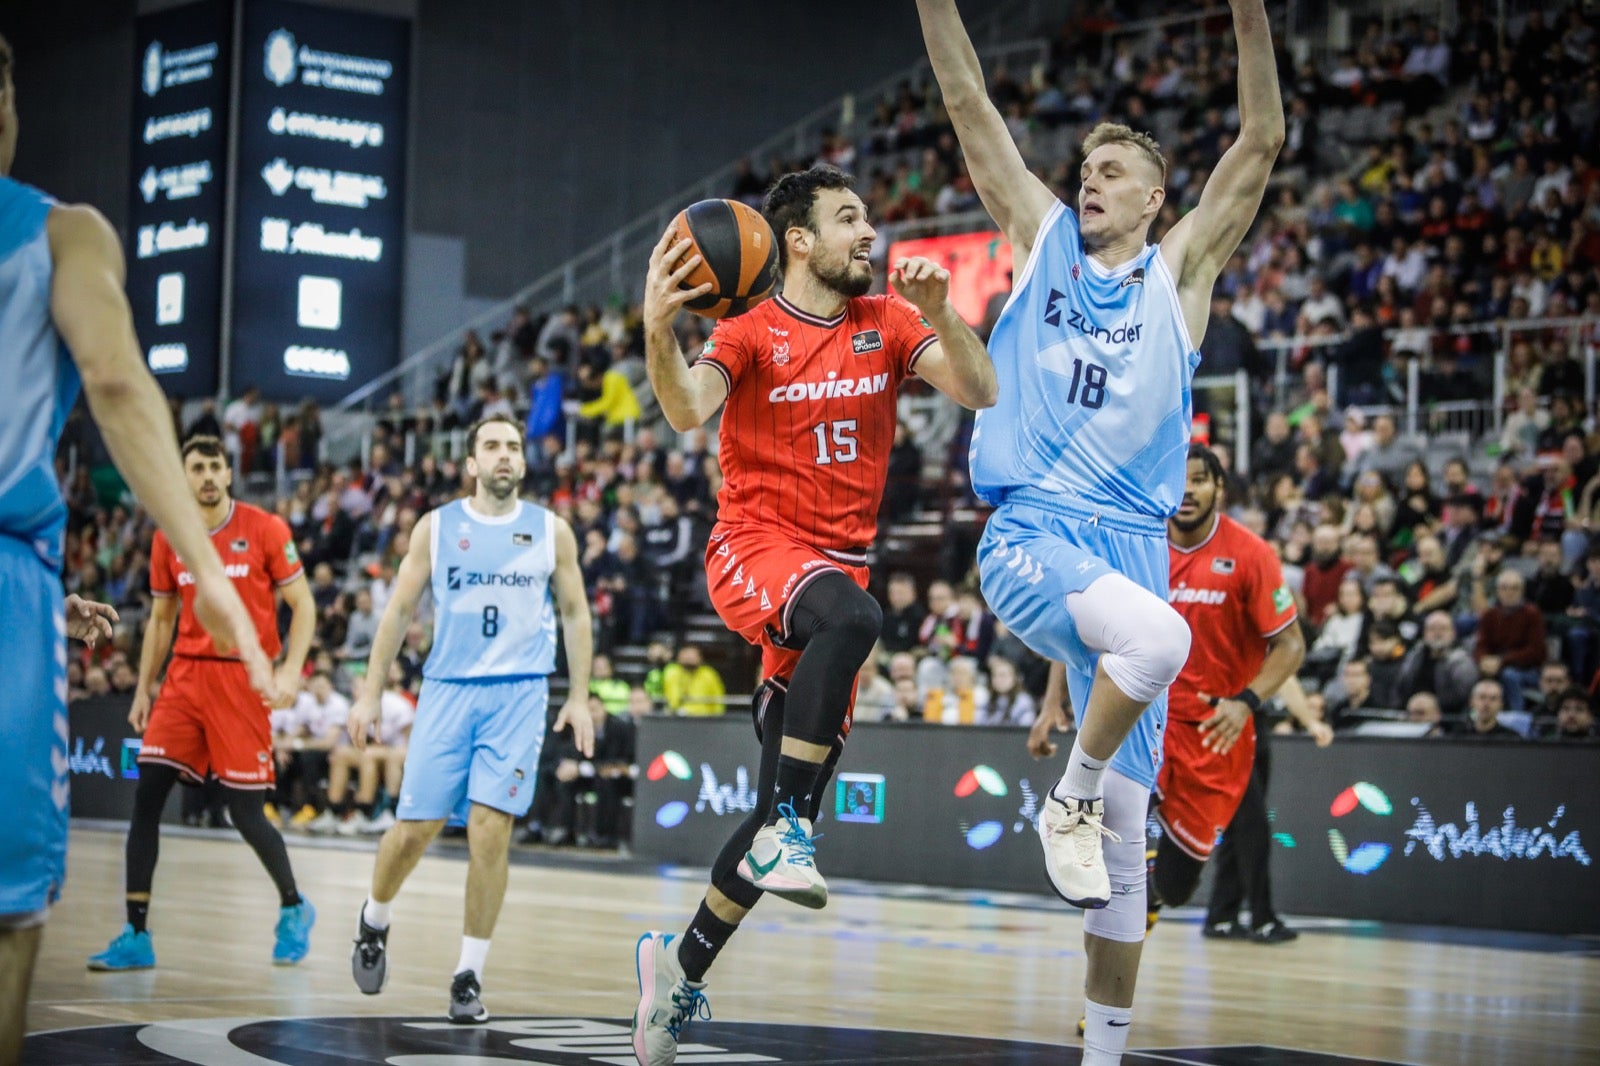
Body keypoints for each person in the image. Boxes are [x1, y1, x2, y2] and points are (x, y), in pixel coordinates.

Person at [918, 1, 1282, 1061]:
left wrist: (1251, 16)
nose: (1091, 179)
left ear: (1159, 200)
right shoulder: (1040, 242)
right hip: (1033, 526)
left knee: (1128, 854)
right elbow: (966, 102)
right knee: (1161, 642)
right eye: (1086, 166)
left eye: (1114, 171)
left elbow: (1259, 141)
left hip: (1128, 551)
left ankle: (1103, 1053)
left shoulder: (1179, 275)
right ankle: (1065, 798)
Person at [631, 162, 996, 1065]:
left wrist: (945, 308)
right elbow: (683, 411)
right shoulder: (748, 332)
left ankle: (674, 975)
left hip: (831, 577)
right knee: (858, 618)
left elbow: (980, 389)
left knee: (765, 822)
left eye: (867, 218)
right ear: (797, 241)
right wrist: (654, 329)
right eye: (847, 219)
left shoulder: (888, 321)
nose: (867, 233)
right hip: (753, 551)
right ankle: (793, 832)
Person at [0, 35, 273, 1060]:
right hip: (23, 593)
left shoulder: (270, 528)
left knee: (233, 808)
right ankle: (146, 920)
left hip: (72, 608)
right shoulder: (58, 234)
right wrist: (206, 571)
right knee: (14, 900)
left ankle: (258, 907)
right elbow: (115, 378)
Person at [346, 415, 595, 1023]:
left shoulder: (550, 530)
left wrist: (579, 694)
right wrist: (369, 693)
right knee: (415, 831)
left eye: (513, 446)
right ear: (471, 464)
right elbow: (399, 610)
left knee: (491, 829)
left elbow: (576, 613)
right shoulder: (436, 528)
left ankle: (467, 975)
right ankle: (374, 919)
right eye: (492, 446)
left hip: (518, 695)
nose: (504, 455)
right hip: (447, 691)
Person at [86, 436, 317, 973]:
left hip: (242, 679)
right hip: (185, 679)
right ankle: (136, 933)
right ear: (184, 476)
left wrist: (288, 670)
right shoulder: (170, 538)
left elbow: (302, 606)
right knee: (147, 794)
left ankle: (293, 906)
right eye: (198, 467)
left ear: (229, 474)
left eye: (216, 467)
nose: (208, 476)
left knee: (244, 812)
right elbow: (162, 619)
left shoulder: (265, 529)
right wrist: (144, 687)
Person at [1145, 446, 1310, 927]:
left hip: (1216, 727)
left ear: (1219, 488)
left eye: (1200, 480)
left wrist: (1246, 703)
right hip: (1146, 719)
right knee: (1115, 818)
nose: (1187, 490)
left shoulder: (1251, 554)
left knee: (1177, 888)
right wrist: (1057, 700)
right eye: (1179, 479)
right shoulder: (1142, 544)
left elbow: (1291, 646)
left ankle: (1154, 888)